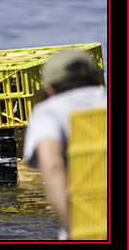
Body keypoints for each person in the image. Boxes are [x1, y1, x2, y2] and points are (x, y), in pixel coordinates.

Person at [23, 49, 106, 239]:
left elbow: (52, 165)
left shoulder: (49, 110)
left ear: (50, 88)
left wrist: (75, 231)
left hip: (88, 225)